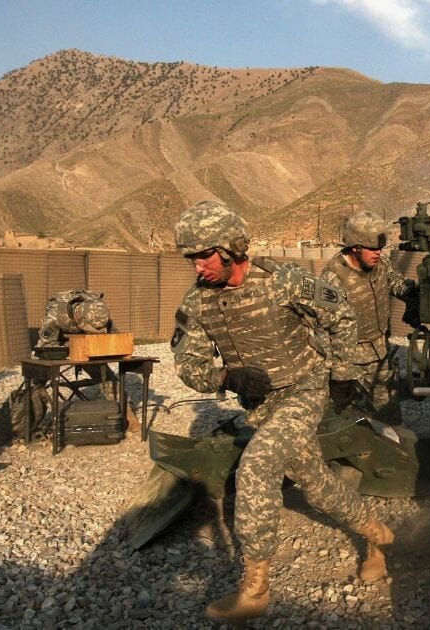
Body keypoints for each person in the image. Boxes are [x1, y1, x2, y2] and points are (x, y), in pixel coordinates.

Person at [170, 200, 394, 624]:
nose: (199, 267)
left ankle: (255, 587)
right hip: (262, 406)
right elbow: (187, 364)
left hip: (304, 389)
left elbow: (340, 314)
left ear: (231, 247)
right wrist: (225, 379)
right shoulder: (198, 303)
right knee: (316, 484)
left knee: (256, 465)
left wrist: (343, 372)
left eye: (204, 255)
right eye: (192, 258)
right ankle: (376, 535)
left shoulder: (284, 281)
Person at [320, 210, 416, 424]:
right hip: (349, 361)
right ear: (355, 248)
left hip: (380, 355)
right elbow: (325, 330)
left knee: (389, 419)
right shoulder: (333, 279)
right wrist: (340, 374)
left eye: (380, 248)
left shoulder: (379, 264)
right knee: (345, 422)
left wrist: (414, 292)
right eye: (373, 249)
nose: (378, 254)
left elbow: (397, 284)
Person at [35, 289, 112, 347]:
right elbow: (47, 346)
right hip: (63, 336)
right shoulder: (55, 315)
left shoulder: (97, 308)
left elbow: (112, 337)